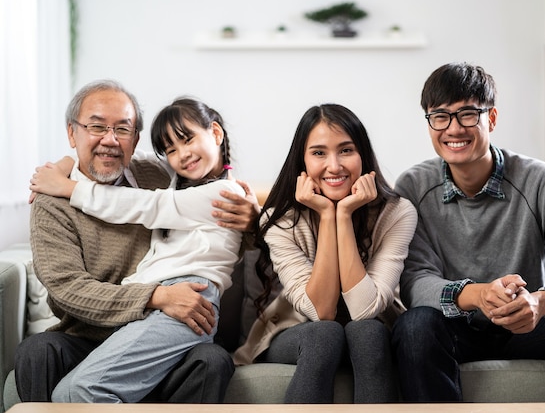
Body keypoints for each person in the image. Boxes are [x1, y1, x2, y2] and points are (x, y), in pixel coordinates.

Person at [391, 62, 545, 413]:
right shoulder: (413, 187)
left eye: (468, 114)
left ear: (492, 118)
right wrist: (479, 295)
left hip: (529, 325)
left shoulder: (542, 181)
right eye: (440, 116)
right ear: (429, 122)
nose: (453, 129)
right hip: (456, 326)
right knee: (414, 327)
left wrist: (542, 301)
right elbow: (413, 280)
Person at [16, 80, 260, 403]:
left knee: (212, 359)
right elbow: (67, 288)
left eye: (122, 129)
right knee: (40, 353)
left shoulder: (158, 178)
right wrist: (155, 296)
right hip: (94, 331)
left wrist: (253, 220)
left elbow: (144, 205)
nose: (109, 140)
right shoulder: (53, 200)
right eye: (96, 127)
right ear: (72, 133)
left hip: (175, 311)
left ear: (135, 139)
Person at [233, 104, 417, 403]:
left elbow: (364, 310)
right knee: (325, 333)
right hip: (300, 332)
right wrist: (328, 216)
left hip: (375, 334)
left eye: (346, 150)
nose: (334, 165)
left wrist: (343, 215)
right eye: (319, 153)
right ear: (302, 161)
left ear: (363, 155)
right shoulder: (280, 220)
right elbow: (321, 313)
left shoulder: (396, 213)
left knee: (367, 331)